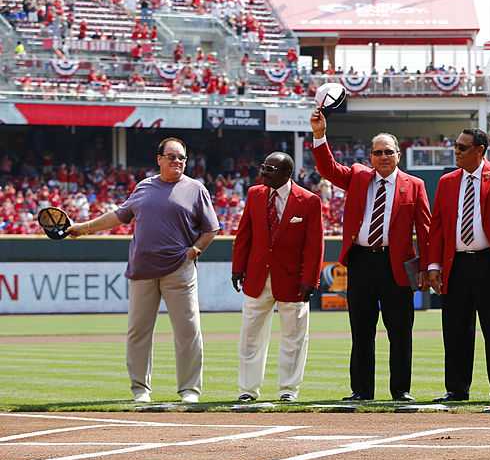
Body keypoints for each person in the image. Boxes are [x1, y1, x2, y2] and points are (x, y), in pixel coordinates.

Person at [68, 137, 219, 403]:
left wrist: (194, 251)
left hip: (179, 269)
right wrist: (83, 228)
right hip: (143, 269)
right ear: (159, 159)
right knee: (138, 332)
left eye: (182, 157)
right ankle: (140, 389)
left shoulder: (196, 189)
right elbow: (119, 215)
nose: (177, 161)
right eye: (172, 156)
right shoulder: (144, 187)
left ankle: (189, 390)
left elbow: (211, 228)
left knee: (188, 330)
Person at [310, 111, 431, 402]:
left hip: (397, 265)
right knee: (361, 331)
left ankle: (401, 391)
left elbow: (425, 230)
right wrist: (319, 135)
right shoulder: (357, 176)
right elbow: (327, 169)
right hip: (362, 261)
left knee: (400, 331)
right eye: (378, 152)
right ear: (370, 157)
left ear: (398, 155)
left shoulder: (414, 185)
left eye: (388, 152)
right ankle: (361, 391)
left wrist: (427, 267)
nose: (383, 157)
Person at [426, 121, 490, 402]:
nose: (456, 152)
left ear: (480, 150)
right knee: (456, 330)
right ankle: (456, 389)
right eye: (455, 146)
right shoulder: (448, 182)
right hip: (457, 264)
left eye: (462, 147)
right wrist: (434, 266)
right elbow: (437, 228)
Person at [231, 152, 324, 403]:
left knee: (294, 337)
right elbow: (244, 234)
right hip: (256, 277)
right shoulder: (254, 194)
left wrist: (311, 279)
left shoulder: (309, 201)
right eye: (264, 167)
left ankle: (288, 390)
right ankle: (247, 390)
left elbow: (314, 245)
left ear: (287, 173)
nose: (264, 172)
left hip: (293, 280)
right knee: (250, 335)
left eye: (270, 169)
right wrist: (237, 268)